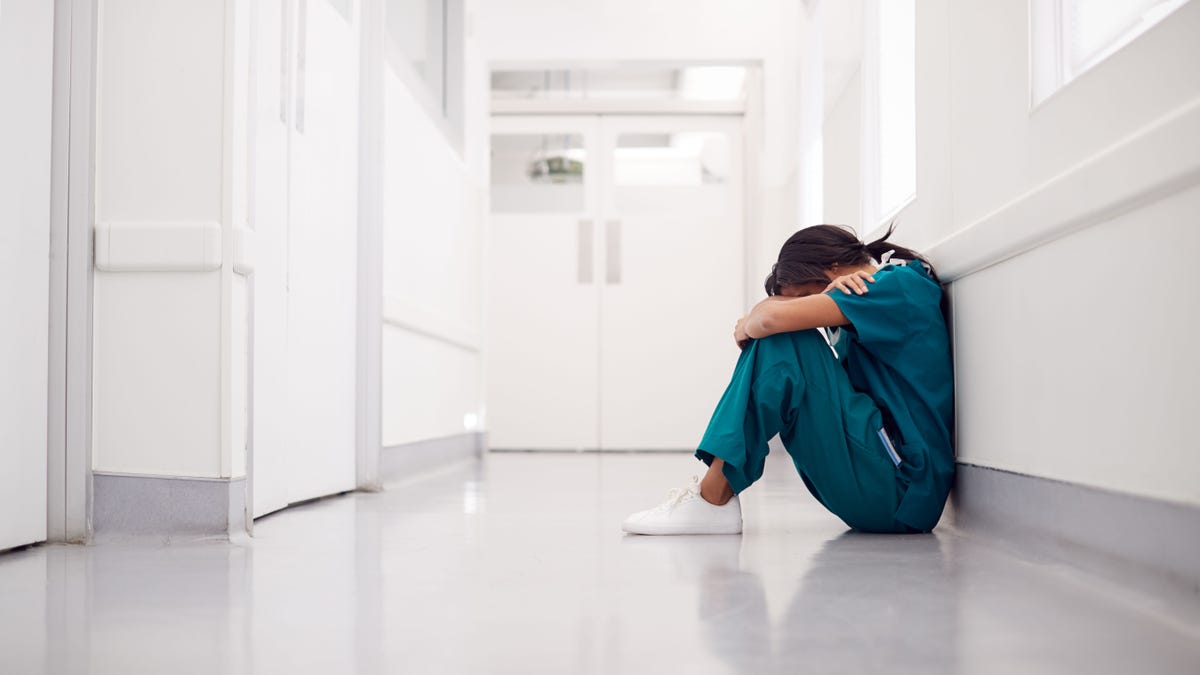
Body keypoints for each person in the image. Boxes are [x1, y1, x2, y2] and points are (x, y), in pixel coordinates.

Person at [621, 224, 954, 535]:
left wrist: (752, 321)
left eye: (804, 295)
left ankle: (712, 499)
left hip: (902, 487)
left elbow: (767, 322)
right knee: (783, 338)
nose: (804, 306)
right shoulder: (875, 292)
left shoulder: (892, 287)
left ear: (833, 268)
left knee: (784, 339)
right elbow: (768, 319)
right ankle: (713, 497)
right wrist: (767, 316)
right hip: (885, 481)